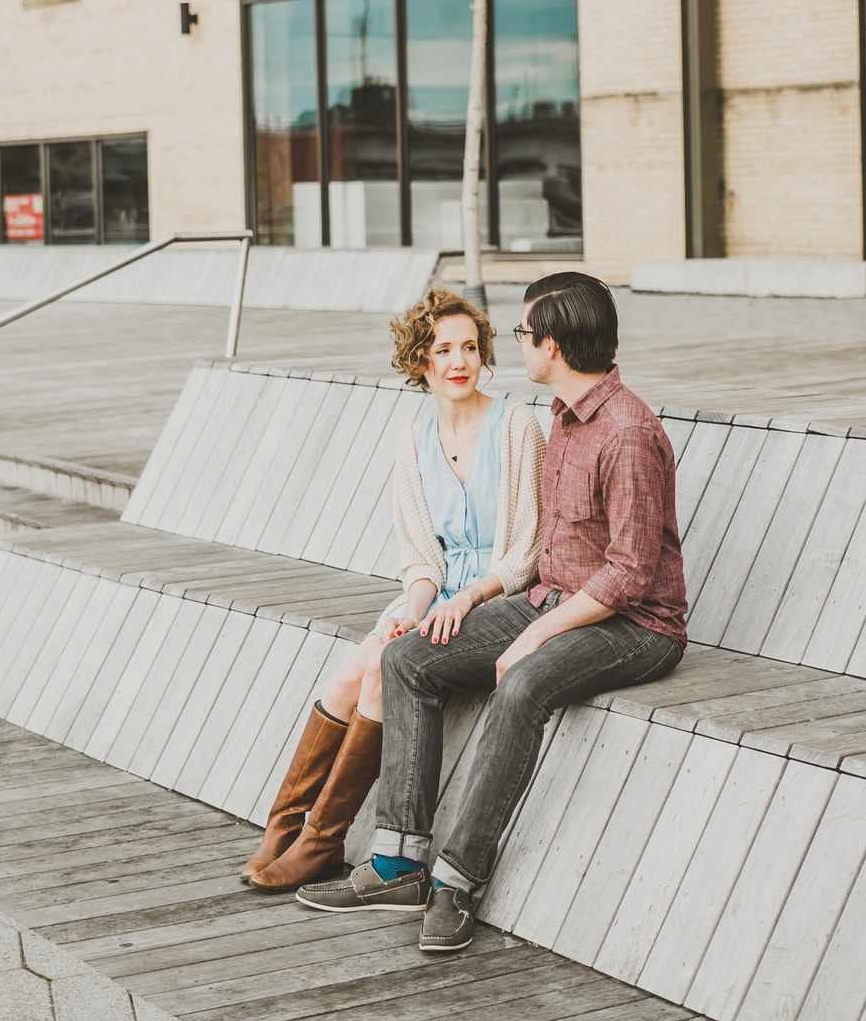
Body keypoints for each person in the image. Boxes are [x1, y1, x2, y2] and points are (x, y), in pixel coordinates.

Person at [297, 271, 688, 955]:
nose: (520, 345)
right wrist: (483, 604)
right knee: (407, 657)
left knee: (522, 685)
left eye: (525, 333)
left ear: (556, 346)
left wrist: (533, 633)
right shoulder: (564, 418)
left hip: (637, 627)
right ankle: (397, 864)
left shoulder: (626, 432)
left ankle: (456, 880)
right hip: (556, 603)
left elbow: (630, 577)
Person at [240, 287, 545, 892]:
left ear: (484, 354)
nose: (459, 361)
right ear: (420, 361)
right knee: (354, 668)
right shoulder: (412, 440)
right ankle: (288, 826)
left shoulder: (517, 426)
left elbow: (527, 552)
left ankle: (324, 840)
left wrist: (467, 599)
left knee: (383, 671)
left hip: (498, 597)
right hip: (436, 596)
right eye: (442, 349)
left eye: (469, 347)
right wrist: (414, 612)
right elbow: (420, 557)